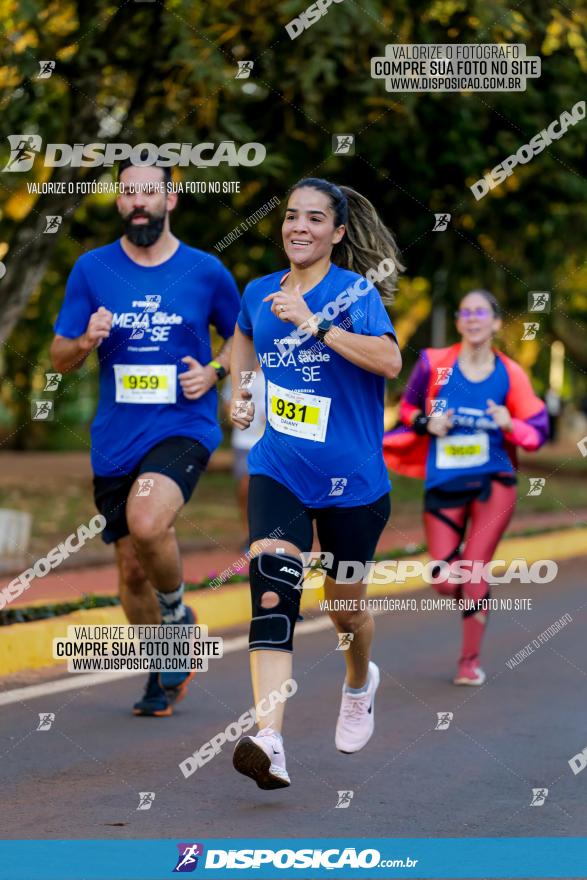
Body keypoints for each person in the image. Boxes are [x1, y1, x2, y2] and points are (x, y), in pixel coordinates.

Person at [229, 177, 403, 789]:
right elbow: (244, 339)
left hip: (354, 481)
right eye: (291, 217)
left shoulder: (354, 292)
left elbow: (389, 361)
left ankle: (360, 681)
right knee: (272, 584)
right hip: (279, 467)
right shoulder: (257, 292)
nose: (298, 227)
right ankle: (268, 738)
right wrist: (242, 394)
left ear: (338, 231)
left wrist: (314, 324)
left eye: (314, 218)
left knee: (344, 608)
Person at [50, 158, 240, 716]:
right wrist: (86, 338)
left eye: (148, 193)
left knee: (147, 520)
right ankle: (162, 662)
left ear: (169, 201)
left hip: (184, 424)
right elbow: (60, 357)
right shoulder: (91, 269)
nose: (138, 203)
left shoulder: (205, 271)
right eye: (128, 194)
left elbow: (241, 336)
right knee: (131, 568)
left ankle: (179, 615)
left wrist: (216, 372)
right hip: (116, 436)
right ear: (118, 204)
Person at [384, 289, 549, 685]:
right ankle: (471, 591)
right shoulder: (435, 363)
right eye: (466, 312)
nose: (473, 318)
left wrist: (510, 423)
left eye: (481, 312)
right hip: (445, 480)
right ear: (459, 322)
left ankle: (469, 662)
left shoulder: (510, 373)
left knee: (475, 569)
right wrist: (428, 422)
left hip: (495, 481)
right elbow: (408, 410)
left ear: (495, 323)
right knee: (444, 579)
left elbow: (538, 428)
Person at [221, 369, 266, 540]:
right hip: (244, 441)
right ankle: (249, 534)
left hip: (270, 440)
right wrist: (238, 416)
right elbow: (227, 404)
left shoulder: (273, 365)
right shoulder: (239, 372)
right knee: (245, 488)